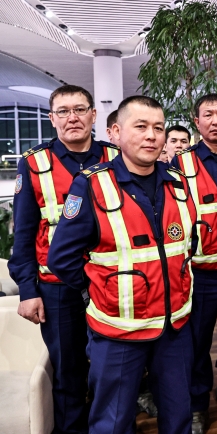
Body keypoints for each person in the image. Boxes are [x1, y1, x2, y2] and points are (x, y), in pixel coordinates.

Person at [46, 95, 196, 434]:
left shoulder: (177, 183)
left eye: (158, 128)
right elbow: (61, 258)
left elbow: (186, 244)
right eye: (140, 127)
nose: (151, 136)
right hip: (118, 331)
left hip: (173, 327)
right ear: (115, 132)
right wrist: (94, 292)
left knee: (178, 415)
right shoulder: (91, 185)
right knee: (112, 421)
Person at [8, 84, 120, 434]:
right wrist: (28, 290)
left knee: (113, 367)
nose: (72, 117)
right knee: (68, 372)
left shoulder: (116, 158)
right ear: (52, 118)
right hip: (58, 288)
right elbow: (23, 234)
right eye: (63, 111)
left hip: (111, 283)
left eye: (79, 109)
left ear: (93, 115)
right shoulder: (35, 164)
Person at [170, 93, 217, 434]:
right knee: (197, 339)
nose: (216, 120)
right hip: (201, 269)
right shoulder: (181, 163)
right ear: (196, 121)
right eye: (208, 115)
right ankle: (197, 405)